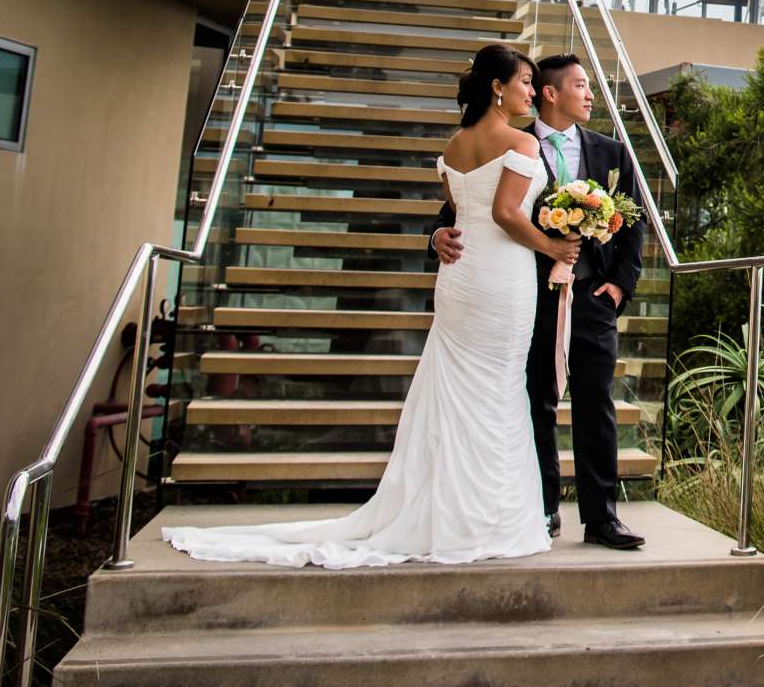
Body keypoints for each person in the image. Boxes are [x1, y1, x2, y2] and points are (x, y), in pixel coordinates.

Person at [161, 44, 574, 567]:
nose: (532, 92)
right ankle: (483, 516)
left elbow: (459, 213)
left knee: (468, 390)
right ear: (498, 86)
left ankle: (462, 510)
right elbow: (506, 213)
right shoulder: (521, 144)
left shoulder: (453, 146)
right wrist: (554, 246)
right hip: (499, 281)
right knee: (498, 390)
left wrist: (438, 237)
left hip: (460, 277)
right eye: (524, 83)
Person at [432, 52, 647, 550]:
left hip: (593, 297)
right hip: (528, 294)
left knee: (597, 405)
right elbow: (464, 206)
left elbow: (633, 225)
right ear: (549, 92)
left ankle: (602, 518)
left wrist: (619, 286)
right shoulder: (514, 140)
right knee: (535, 403)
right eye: (580, 84)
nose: (591, 94)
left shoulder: (612, 152)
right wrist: (437, 236)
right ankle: (544, 510)